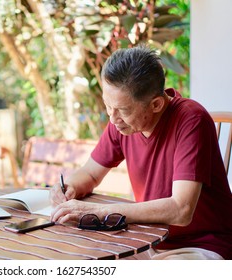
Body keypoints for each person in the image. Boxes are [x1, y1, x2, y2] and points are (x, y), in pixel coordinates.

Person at [50, 45, 232, 260]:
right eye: (108, 106)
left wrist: (100, 212)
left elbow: (181, 210)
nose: (113, 118)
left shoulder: (192, 120)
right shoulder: (122, 124)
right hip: (146, 239)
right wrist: (70, 186)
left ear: (156, 104)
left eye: (123, 110)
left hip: (202, 245)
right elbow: (90, 174)